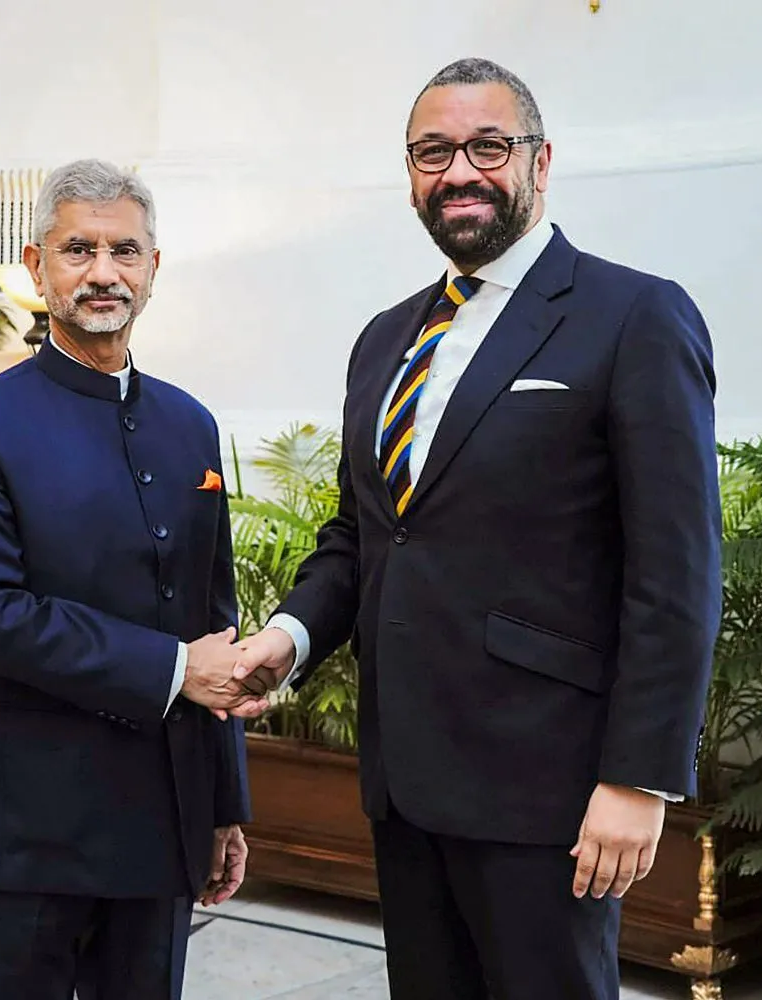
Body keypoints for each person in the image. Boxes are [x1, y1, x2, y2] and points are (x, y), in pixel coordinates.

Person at [233, 58, 722, 1000]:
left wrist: (640, 778)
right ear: (411, 173)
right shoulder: (384, 340)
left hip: (552, 789)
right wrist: (286, 640)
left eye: (487, 146)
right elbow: (363, 538)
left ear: (541, 164)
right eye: (432, 152)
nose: (459, 171)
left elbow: (678, 568)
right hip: (407, 778)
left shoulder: (634, 315)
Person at [0, 159, 268, 999]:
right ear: (37, 267)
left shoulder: (190, 423)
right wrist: (179, 670)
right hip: (23, 830)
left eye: (126, 251)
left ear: (154, 268)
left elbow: (211, 619)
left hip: (158, 824)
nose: (104, 273)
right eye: (79, 249)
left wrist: (223, 805)